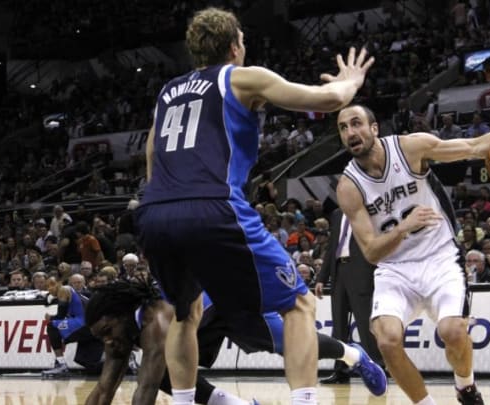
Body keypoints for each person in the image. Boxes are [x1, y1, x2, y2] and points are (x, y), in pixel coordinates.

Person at [135, 7, 374, 405]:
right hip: (212, 206)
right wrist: (351, 81)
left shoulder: (167, 92)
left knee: (184, 313)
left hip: (155, 210)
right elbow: (328, 100)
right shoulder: (241, 77)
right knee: (299, 304)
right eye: (243, 41)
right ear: (234, 46)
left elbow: (151, 153)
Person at [335, 103, 490, 405]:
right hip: (395, 268)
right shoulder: (348, 186)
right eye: (343, 128)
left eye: (356, 123)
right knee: (387, 341)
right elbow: (370, 252)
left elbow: (472, 146)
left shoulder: (409, 148)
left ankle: (466, 386)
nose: (351, 132)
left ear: (374, 128)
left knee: (453, 331)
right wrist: (403, 228)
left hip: (439, 257)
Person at [84, 281, 386, 405]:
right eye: (102, 337)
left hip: (227, 303)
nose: (108, 341)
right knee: (164, 371)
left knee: (291, 344)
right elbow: (103, 390)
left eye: (109, 331)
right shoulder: (118, 336)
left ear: (122, 314)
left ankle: (353, 355)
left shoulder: (156, 324)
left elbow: (144, 394)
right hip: (194, 324)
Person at [315, 208, 382, 385]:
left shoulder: (370, 211)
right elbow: (331, 248)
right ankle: (341, 370)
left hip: (361, 271)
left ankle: (377, 368)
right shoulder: (337, 214)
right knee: (339, 327)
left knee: (364, 323)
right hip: (339, 271)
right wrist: (322, 278)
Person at [42, 276, 99, 377]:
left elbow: (61, 315)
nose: (50, 288)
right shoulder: (73, 292)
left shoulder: (63, 290)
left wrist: (50, 317)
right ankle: (59, 361)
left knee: (52, 326)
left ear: (60, 283)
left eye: (52, 284)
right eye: (47, 286)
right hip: (89, 324)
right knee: (85, 360)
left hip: (82, 323)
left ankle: (61, 364)